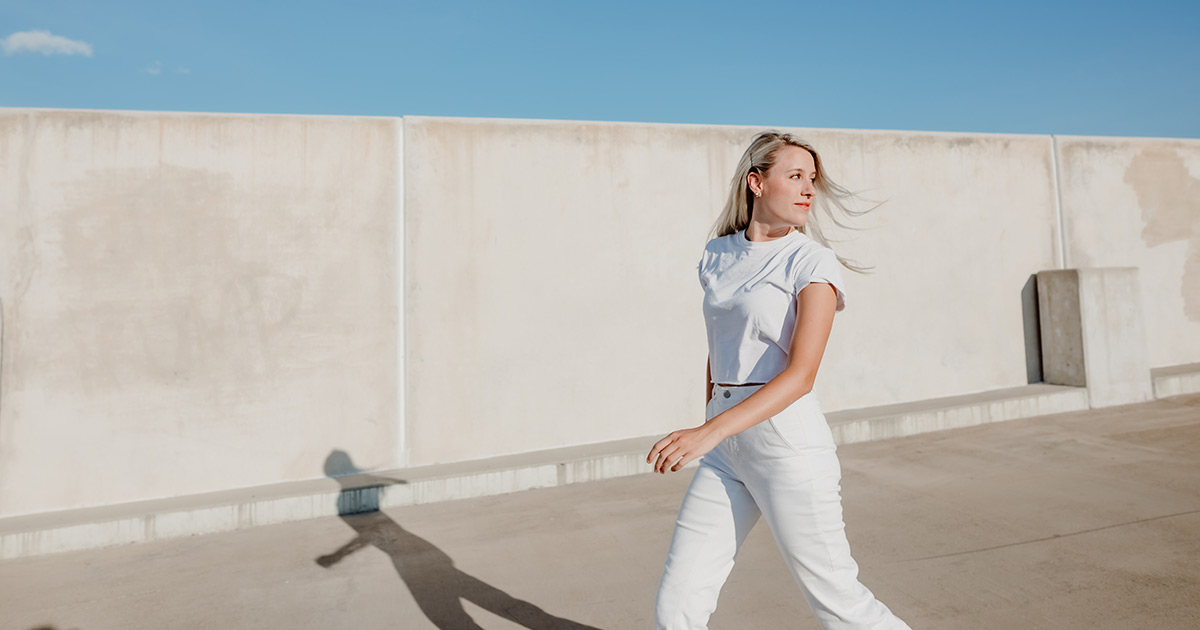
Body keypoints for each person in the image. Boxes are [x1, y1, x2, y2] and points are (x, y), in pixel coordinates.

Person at [646, 130, 913, 630]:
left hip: (787, 444)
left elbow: (801, 375)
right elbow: (720, 345)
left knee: (839, 604)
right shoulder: (717, 254)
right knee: (676, 604)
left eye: (811, 179)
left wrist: (708, 431)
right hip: (726, 447)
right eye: (795, 176)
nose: (808, 189)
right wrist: (712, 415)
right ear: (757, 183)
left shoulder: (811, 261)